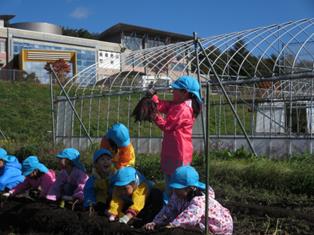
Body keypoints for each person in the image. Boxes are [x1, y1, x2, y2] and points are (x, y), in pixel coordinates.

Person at [150, 75, 202, 195]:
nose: (173, 91)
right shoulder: (179, 104)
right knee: (171, 183)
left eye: (176, 89)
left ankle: (174, 209)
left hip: (179, 153)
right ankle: (170, 208)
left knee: (178, 187)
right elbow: (164, 106)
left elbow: (168, 126)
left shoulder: (184, 109)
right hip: (173, 150)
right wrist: (153, 98)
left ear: (185, 93)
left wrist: (155, 116)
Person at [144, 166, 233, 234]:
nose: (175, 191)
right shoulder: (177, 195)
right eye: (174, 188)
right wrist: (156, 222)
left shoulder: (199, 200)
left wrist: (172, 225)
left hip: (219, 227)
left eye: (178, 188)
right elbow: (168, 209)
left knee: (179, 228)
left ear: (190, 188)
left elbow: (189, 217)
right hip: (200, 224)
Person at [83, 148, 114, 215]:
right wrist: (90, 203)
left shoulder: (114, 176)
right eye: (102, 159)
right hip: (99, 203)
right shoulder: (93, 179)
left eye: (108, 159)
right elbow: (89, 191)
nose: (106, 161)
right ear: (96, 164)